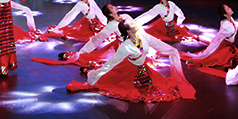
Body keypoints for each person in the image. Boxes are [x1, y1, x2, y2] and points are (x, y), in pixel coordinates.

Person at [67, 18, 196, 102]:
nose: (135, 24)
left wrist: (172, 51)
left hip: (143, 68)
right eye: (132, 24)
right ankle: (92, 73)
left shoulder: (143, 35)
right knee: (111, 81)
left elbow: (157, 44)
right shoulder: (125, 46)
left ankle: (90, 70)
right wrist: (94, 77)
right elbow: (110, 63)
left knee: (164, 85)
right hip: (130, 70)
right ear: (128, 31)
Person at [33, 4, 130, 68]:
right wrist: (83, 51)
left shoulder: (125, 16)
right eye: (112, 7)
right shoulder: (111, 25)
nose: (114, 7)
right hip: (124, 45)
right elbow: (97, 39)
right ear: (110, 14)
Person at [180, 4, 238, 70]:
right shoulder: (225, 25)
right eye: (227, 9)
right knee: (215, 60)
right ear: (225, 14)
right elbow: (218, 38)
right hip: (223, 46)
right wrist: (209, 50)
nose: (230, 8)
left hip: (229, 45)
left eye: (228, 7)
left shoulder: (230, 19)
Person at [134, 0, 203, 43]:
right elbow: (148, 15)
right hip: (163, 26)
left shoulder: (171, 3)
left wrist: (179, 24)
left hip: (172, 25)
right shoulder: (158, 7)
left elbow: (179, 13)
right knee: (152, 35)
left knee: (185, 35)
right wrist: (135, 22)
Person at [43, 0, 108, 41]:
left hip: (95, 22)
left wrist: (104, 21)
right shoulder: (80, 4)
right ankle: (59, 29)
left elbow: (98, 11)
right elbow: (71, 15)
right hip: (87, 24)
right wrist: (59, 26)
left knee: (103, 34)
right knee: (89, 37)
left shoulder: (91, 0)